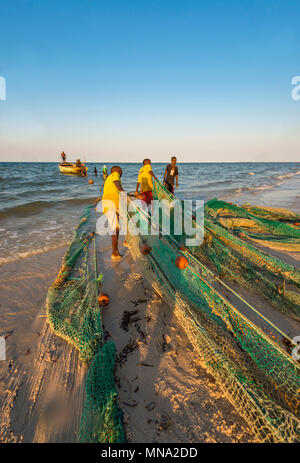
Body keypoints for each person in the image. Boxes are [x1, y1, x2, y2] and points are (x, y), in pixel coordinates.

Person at [101, 166, 126, 260]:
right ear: (118, 171)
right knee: (115, 228)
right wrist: (123, 192)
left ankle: (126, 241)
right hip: (111, 205)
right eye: (121, 170)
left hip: (113, 204)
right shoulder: (115, 175)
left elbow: (116, 190)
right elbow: (117, 183)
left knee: (123, 222)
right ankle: (114, 253)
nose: (121, 172)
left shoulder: (108, 178)